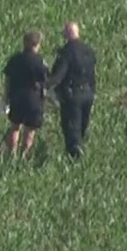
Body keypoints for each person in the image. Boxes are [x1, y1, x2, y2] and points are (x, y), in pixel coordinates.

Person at [47, 22, 97, 158]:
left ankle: (74, 157)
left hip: (72, 94)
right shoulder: (89, 50)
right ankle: (80, 154)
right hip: (88, 93)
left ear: (66, 34)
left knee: (71, 129)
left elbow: (58, 76)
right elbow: (93, 74)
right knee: (82, 127)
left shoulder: (67, 52)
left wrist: (45, 83)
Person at [3, 31, 48, 157]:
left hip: (16, 96)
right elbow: (45, 80)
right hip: (33, 98)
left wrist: (6, 97)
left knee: (15, 126)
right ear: (37, 44)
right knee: (30, 128)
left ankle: (12, 153)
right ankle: (24, 154)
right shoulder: (40, 61)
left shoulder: (15, 59)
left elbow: (8, 80)